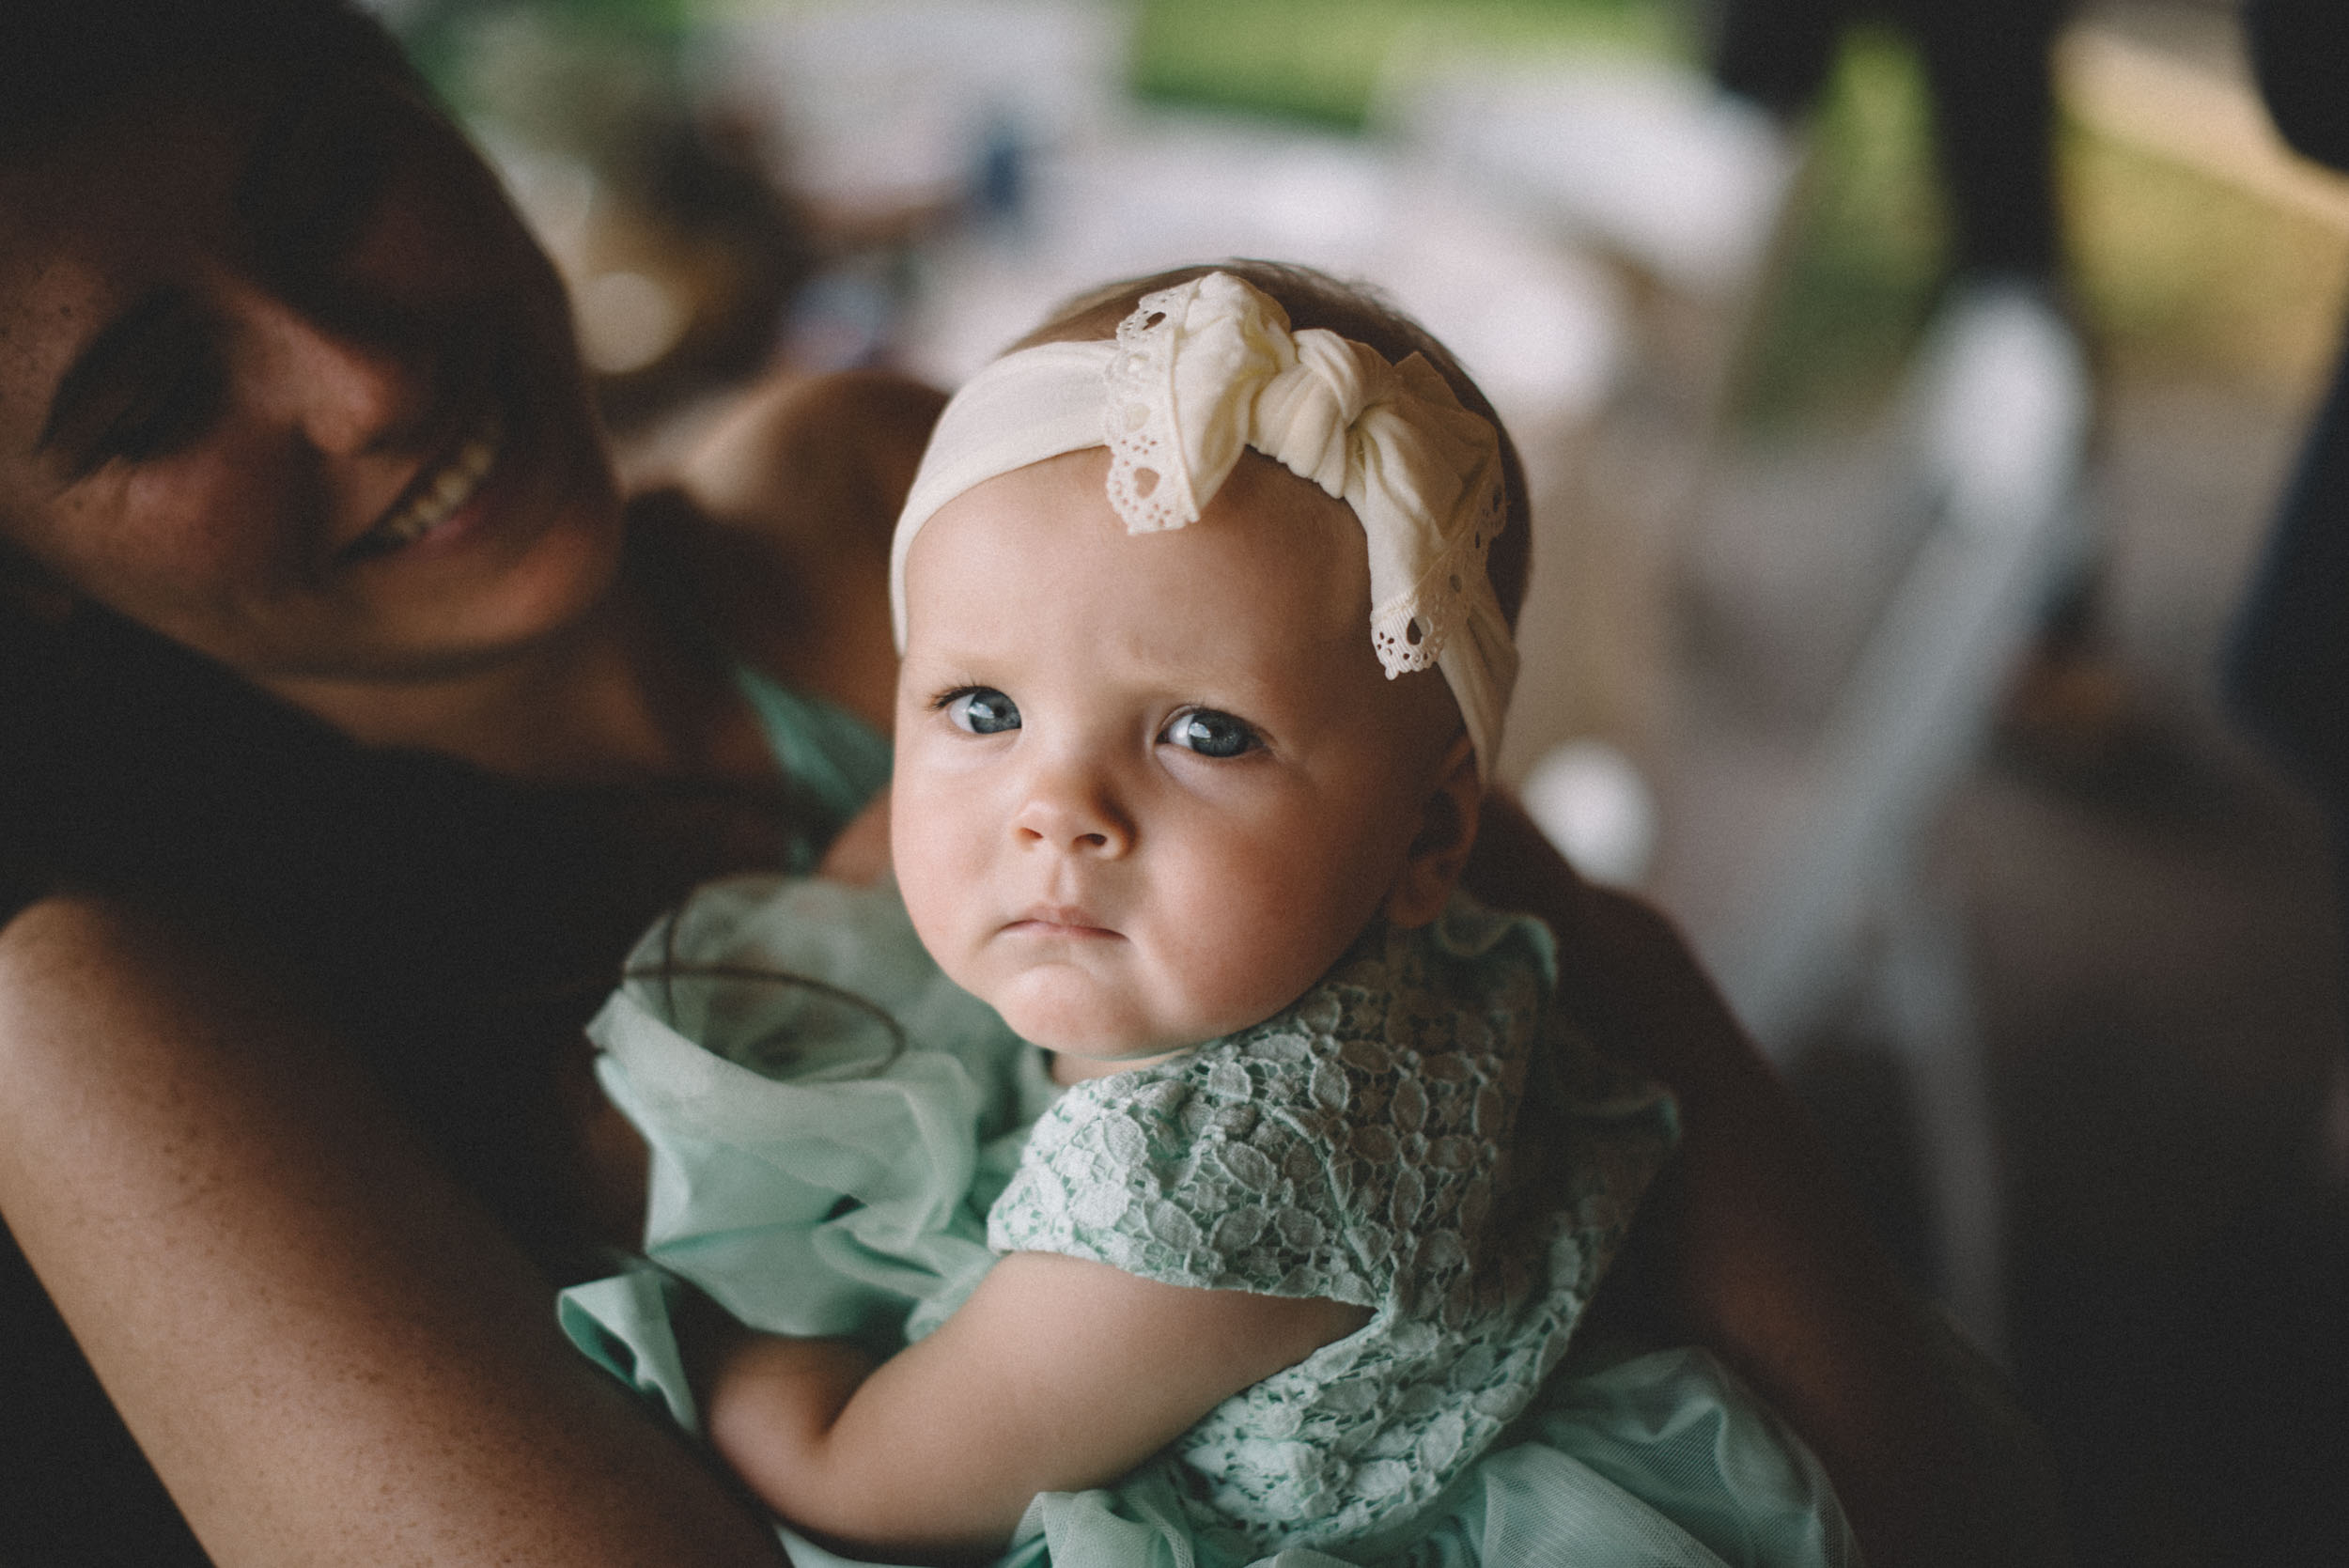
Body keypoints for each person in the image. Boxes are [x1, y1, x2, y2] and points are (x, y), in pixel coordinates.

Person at [0, 2, 2057, 1563]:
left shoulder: (900, 490)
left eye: (329, 183)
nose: (361, 378)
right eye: (154, 398)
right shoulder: (115, 1018)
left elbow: (1606, 1003)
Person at [559, 264, 1854, 1566]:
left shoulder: (1213, 1207)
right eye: (982, 709)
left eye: (1204, 733)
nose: (1055, 808)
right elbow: (874, 860)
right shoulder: (1264, 938)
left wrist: (709, 1327)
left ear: (1430, 833)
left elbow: (860, 1475)